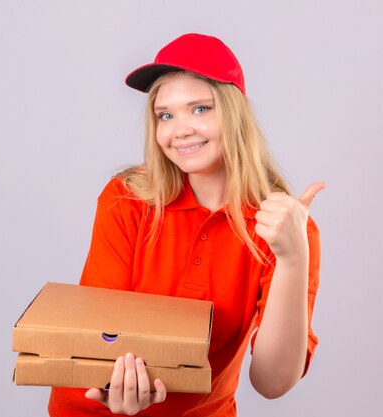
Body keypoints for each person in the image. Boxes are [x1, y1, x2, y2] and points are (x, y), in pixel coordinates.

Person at [48, 33, 325, 417]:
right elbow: (100, 341)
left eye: (200, 109)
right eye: (165, 114)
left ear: (236, 112)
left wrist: (292, 258)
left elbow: (272, 382)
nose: (180, 129)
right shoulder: (127, 200)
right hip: (95, 409)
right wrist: (114, 388)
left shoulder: (285, 228)